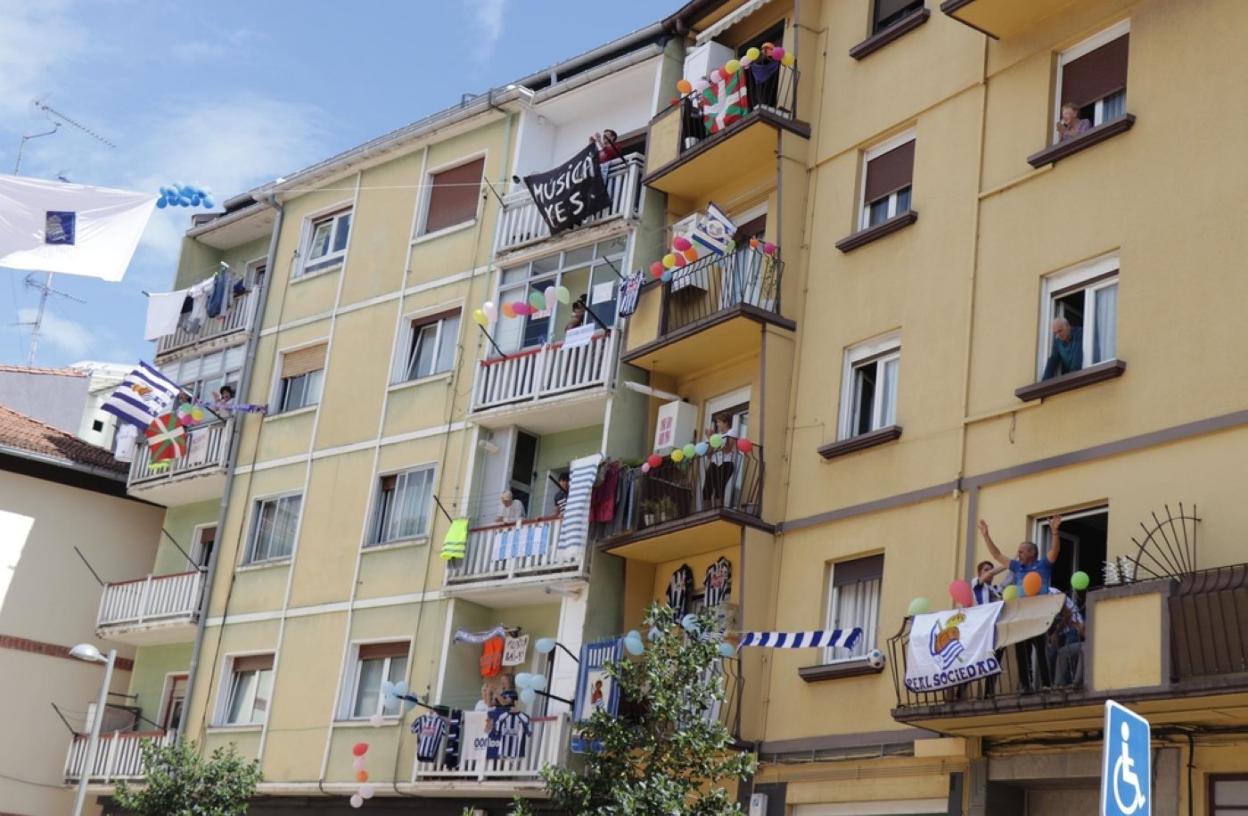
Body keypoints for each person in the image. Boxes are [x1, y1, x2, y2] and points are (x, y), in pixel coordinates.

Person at [979, 515, 1063, 691]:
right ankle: (1026, 685)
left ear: (1032, 553)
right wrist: (986, 536)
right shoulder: (1018, 566)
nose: (1019, 555)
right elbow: (996, 555)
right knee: (1021, 652)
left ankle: (1046, 685)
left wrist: (1055, 532)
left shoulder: (1043, 565)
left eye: (1022, 552)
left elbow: (1055, 551)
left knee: (1040, 649)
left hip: (1038, 614)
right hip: (1021, 613)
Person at [702, 413, 738, 507]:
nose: (717, 425)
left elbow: (727, 449)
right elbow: (709, 455)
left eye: (719, 422)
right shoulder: (717, 436)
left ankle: (718, 511)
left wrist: (713, 438)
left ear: (726, 423)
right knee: (706, 490)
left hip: (726, 463)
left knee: (719, 489)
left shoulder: (732, 432)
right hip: (714, 463)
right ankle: (707, 513)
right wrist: (711, 440)